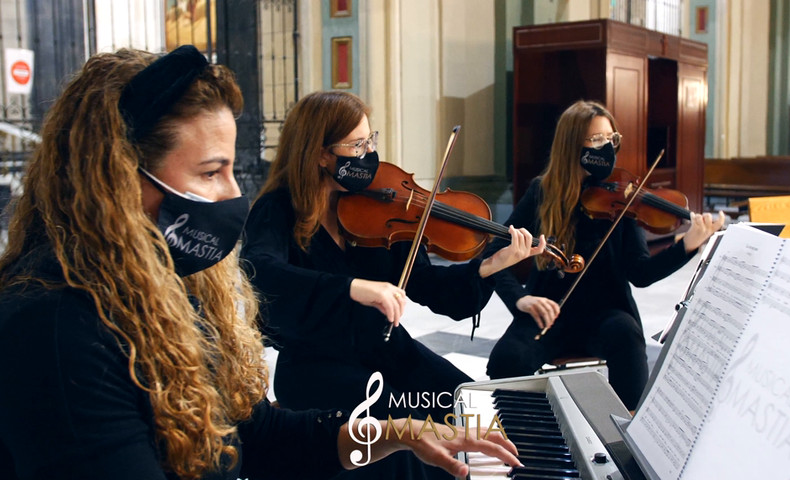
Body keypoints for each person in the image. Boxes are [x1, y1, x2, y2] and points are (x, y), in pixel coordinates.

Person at [0, 46, 521, 480]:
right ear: (115, 180)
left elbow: (255, 439)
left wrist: (396, 433)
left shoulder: (171, 295)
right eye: (210, 172)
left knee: (439, 416)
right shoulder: (57, 328)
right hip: (326, 366)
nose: (233, 192)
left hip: (383, 359)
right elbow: (269, 276)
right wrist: (349, 292)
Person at [241, 90, 545, 479]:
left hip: (388, 352)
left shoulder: (383, 204)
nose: (369, 153)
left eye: (372, 140)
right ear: (319, 153)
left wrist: (488, 266)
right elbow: (261, 271)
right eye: (357, 144)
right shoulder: (278, 208)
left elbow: (430, 285)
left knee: (469, 405)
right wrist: (352, 288)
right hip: (318, 366)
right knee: (410, 451)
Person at [484, 100, 725, 411]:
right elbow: (494, 252)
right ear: (572, 145)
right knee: (506, 360)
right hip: (548, 314)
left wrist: (687, 244)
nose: (607, 147)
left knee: (626, 335)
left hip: (606, 315)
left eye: (611, 139)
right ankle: (529, 436)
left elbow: (640, 272)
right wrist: (520, 299)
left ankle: (629, 428)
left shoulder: (621, 196)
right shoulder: (542, 192)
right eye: (597, 140)